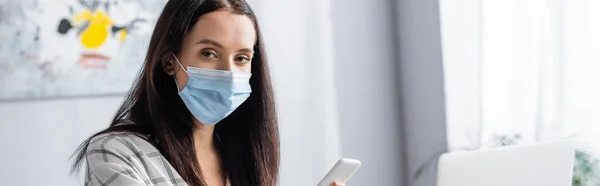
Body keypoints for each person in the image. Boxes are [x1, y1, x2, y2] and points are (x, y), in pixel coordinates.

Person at [70, 0, 344, 186]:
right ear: (168, 60)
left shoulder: (243, 154)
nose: (227, 72)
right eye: (209, 53)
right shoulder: (115, 153)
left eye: (241, 58)